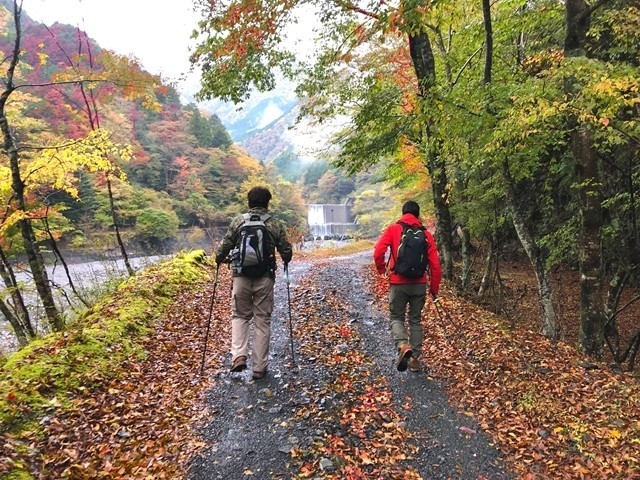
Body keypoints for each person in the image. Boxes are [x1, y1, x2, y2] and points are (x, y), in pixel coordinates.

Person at [215, 186, 293, 380]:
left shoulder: (238, 221)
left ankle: (239, 356)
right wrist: (285, 258)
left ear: (249, 202)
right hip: (265, 277)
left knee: (240, 316)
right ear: (268, 203)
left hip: (240, 276)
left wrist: (219, 259)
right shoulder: (275, 224)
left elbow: (223, 248)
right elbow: (286, 251)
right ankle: (259, 367)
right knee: (262, 320)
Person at [373, 200, 442, 372]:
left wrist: (382, 270)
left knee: (397, 317)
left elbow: (378, 252)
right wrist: (434, 289)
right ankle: (415, 359)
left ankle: (403, 345)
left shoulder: (393, 229)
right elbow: (435, 266)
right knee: (415, 319)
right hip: (419, 284)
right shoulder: (426, 234)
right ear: (418, 215)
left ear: (403, 214)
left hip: (398, 283)